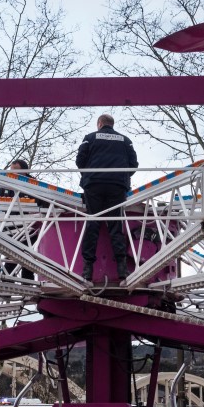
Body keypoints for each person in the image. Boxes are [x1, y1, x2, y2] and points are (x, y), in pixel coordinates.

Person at [75, 113, 137, 283]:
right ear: (112, 124)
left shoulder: (90, 138)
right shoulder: (125, 140)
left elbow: (80, 161)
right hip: (117, 185)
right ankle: (122, 271)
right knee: (115, 225)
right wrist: (121, 178)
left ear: (100, 124)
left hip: (94, 184)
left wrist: (90, 175)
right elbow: (134, 164)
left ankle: (87, 271)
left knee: (93, 223)